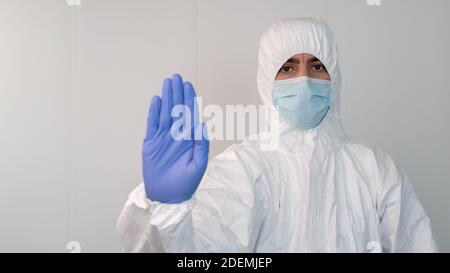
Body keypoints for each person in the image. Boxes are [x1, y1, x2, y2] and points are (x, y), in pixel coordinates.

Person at [117, 17, 438, 252]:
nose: (304, 79)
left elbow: (416, 244)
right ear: (266, 79)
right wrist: (171, 210)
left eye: (316, 66)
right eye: (287, 67)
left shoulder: (375, 170)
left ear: (335, 76)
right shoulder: (240, 169)